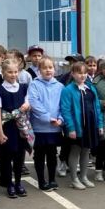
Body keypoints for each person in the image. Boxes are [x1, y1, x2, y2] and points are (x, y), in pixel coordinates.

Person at [60, 62, 103, 189]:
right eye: (79, 73)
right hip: (77, 126)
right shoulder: (67, 90)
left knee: (86, 151)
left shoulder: (90, 88)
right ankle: (74, 179)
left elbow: (97, 108)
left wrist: (99, 124)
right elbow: (65, 110)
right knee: (75, 151)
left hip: (90, 125)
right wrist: (71, 128)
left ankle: (83, 177)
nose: (82, 75)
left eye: (84, 72)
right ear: (73, 74)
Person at [0, 58, 30, 198]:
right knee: (7, 156)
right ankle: (9, 183)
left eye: (15, 72)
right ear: (3, 72)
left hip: (20, 127)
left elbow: (27, 104)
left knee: (20, 156)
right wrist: (0, 132)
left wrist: (27, 105)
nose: (13, 75)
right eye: (9, 72)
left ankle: (18, 182)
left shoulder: (23, 87)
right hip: (7, 126)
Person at [27, 56, 64, 191]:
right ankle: (42, 180)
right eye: (44, 68)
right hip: (39, 127)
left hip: (55, 128)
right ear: (39, 70)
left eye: (50, 67)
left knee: (52, 153)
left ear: (54, 69)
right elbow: (34, 103)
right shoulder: (34, 84)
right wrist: (48, 118)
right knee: (40, 154)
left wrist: (61, 118)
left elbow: (63, 105)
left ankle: (52, 179)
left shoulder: (60, 86)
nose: (48, 70)